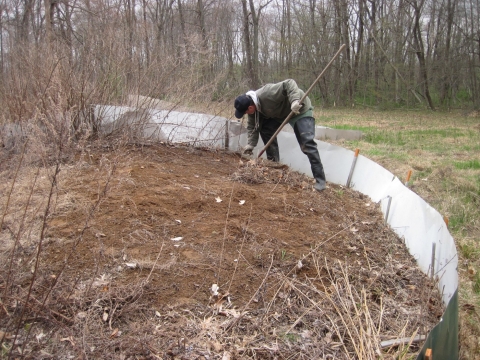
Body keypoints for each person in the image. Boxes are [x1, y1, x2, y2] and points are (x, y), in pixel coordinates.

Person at [234, 79, 326, 192]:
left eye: (245, 112)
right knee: (266, 129)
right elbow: (253, 126)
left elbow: (289, 83)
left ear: (250, 108)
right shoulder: (254, 110)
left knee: (307, 143)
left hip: (299, 109)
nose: (246, 114)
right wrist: (250, 144)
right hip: (280, 114)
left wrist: (294, 101)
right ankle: (274, 164)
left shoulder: (266, 94)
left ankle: (320, 180)